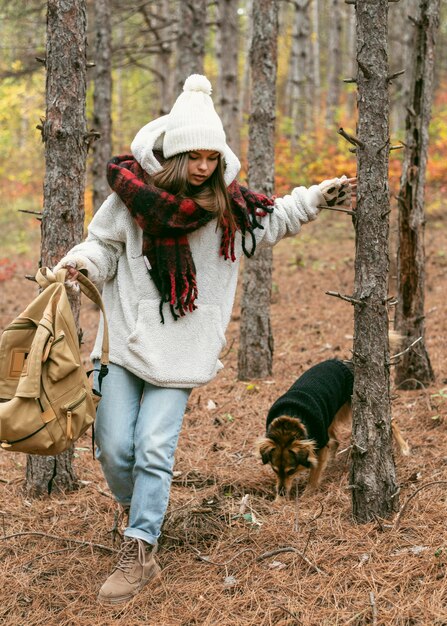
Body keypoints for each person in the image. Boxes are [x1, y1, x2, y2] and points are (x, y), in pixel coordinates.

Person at [54, 74, 356, 605]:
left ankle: (141, 546)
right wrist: (80, 264)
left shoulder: (228, 210)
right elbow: (101, 247)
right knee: (113, 448)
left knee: (151, 447)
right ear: (172, 152)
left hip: (185, 350)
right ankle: (139, 513)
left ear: (220, 159)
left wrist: (317, 197)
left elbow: (277, 217)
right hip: (125, 341)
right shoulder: (132, 201)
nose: (201, 166)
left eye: (210, 157)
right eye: (192, 155)